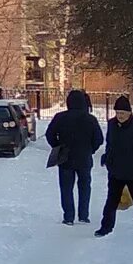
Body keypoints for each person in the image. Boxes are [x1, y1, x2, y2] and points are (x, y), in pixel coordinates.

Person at [96, 95, 133, 235]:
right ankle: (105, 228)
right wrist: (107, 157)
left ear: (129, 113)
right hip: (116, 170)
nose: (120, 116)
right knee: (111, 202)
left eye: (122, 113)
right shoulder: (112, 124)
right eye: (117, 113)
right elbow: (110, 143)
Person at [43, 89, 102, 226]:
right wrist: (90, 150)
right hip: (84, 158)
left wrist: (58, 146)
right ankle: (83, 215)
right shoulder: (90, 119)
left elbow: (49, 134)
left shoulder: (60, 117)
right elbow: (98, 139)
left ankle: (68, 217)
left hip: (65, 157)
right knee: (85, 186)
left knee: (66, 188)